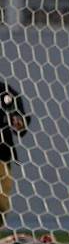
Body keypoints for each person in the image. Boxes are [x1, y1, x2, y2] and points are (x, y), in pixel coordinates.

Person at [0, 82, 30, 229]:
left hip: (3, 154)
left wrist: (19, 123)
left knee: (3, 202)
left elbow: (21, 124)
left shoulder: (6, 91)